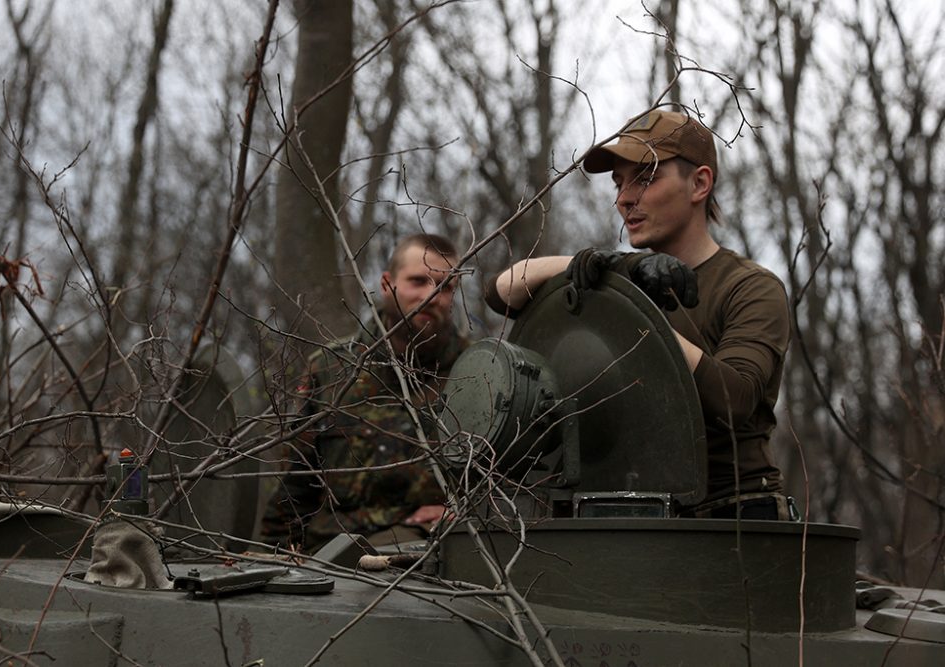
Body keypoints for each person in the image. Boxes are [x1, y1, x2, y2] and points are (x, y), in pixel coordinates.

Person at [485, 108, 792, 519]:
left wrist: (637, 311)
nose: (624, 198)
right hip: (626, 514)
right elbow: (503, 291)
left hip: (731, 516)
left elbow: (734, 398)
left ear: (699, 183)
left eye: (645, 179)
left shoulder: (749, 287)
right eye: (618, 183)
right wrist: (618, 268)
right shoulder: (619, 279)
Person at [260, 233, 469, 550]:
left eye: (445, 287)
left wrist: (464, 512)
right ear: (387, 285)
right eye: (418, 281)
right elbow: (296, 484)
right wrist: (270, 557)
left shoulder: (475, 371)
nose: (431, 296)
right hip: (329, 551)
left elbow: (511, 481)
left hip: (430, 553)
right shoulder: (331, 368)